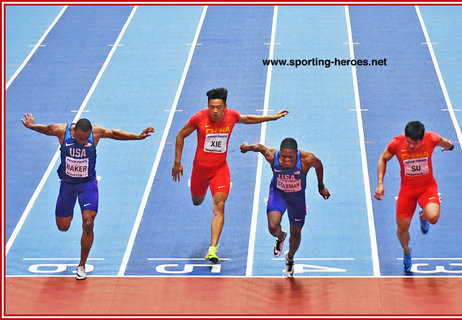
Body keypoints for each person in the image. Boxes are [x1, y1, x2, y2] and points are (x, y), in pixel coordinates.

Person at [21, 113, 154, 280]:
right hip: (67, 185)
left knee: (88, 222)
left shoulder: (96, 133)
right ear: (74, 131)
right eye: (80, 139)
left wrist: (138, 137)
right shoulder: (62, 131)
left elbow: (114, 133)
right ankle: (70, 215)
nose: (83, 142)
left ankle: (81, 265)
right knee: (63, 226)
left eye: (86, 139)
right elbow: (46, 129)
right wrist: (31, 126)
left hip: (88, 184)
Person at [171, 87, 288, 263]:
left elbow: (248, 118)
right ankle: (199, 194)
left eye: (218, 107)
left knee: (219, 206)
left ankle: (212, 250)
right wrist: (177, 162)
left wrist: (272, 117)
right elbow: (180, 135)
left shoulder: (231, 116)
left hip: (220, 170)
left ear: (225, 106)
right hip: (199, 171)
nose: (215, 111)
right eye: (211, 107)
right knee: (197, 201)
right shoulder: (198, 118)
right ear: (207, 106)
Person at [240, 138, 330, 276]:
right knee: (272, 227)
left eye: (291, 157)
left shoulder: (307, 159)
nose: (287, 160)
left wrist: (321, 186)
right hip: (279, 195)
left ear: (297, 153)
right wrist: (246, 147)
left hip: (297, 199)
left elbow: (319, 166)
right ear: (279, 153)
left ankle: (290, 257)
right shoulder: (272, 155)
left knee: (296, 234)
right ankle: (281, 237)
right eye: (284, 157)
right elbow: (259, 147)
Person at [374, 120, 454, 272]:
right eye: (409, 142)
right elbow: (383, 159)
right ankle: (407, 252)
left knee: (433, 218)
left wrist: (450, 147)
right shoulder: (396, 143)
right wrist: (380, 183)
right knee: (401, 229)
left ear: (422, 139)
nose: (411, 146)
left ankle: (423, 216)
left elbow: (445, 142)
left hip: (427, 187)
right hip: (407, 190)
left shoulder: (431, 138)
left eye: (415, 144)